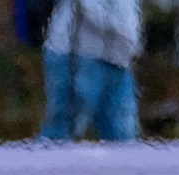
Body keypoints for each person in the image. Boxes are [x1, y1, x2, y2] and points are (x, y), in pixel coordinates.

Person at [37, 0, 141, 142]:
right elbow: (90, 9)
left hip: (116, 60)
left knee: (122, 132)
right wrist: (125, 32)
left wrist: (130, 41)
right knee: (63, 130)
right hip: (74, 55)